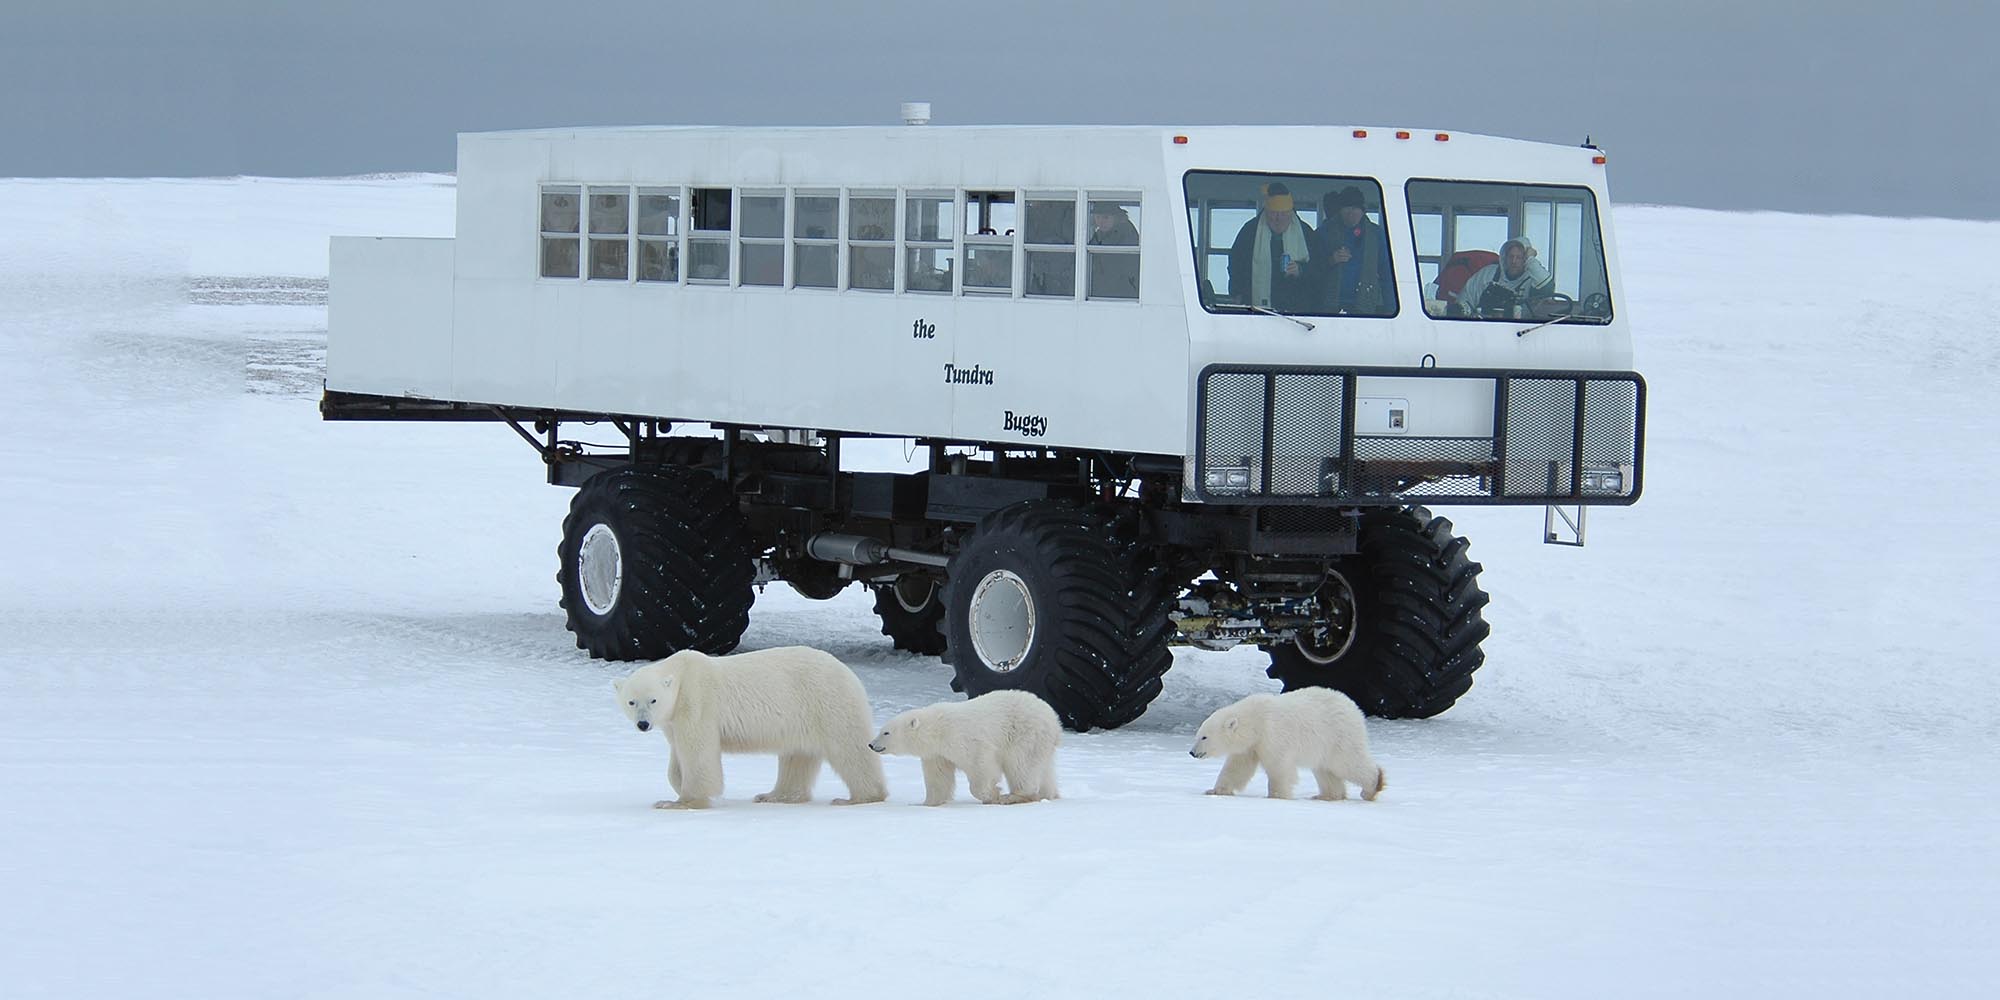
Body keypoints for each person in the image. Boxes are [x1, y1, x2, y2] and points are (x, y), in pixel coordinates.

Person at [1226, 182, 1315, 311]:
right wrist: (1237, 293)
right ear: (1266, 211)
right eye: (1274, 213)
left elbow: (1320, 268)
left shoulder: (1306, 234)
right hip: (1255, 307)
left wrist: (1301, 270)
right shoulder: (1250, 231)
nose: (1278, 219)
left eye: (1283, 213)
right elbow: (1236, 264)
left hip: (1297, 309)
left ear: (1290, 213)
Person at [1313, 186, 1395, 315]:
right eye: (1347, 207)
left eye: (1355, 208)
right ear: (1340, 210)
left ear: (1363, 210)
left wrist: (1391, 309)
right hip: (1328, 306)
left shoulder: (1376, 235)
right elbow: (1312, 268)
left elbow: (1387, 274)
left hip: (1366, 306)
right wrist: (1331, 260)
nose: (1351, 212)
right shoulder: (1324, 232)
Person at [1454, 236, 1554, 317]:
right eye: (1511, 256)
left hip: (1517, 332)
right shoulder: (1488, 273)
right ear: (1504, 257)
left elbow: (1547, 286)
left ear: (1525, 259)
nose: (1514, 261)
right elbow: (1465, 299)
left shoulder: (1532, 279)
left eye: (1519, 257)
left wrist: (1531, 259)